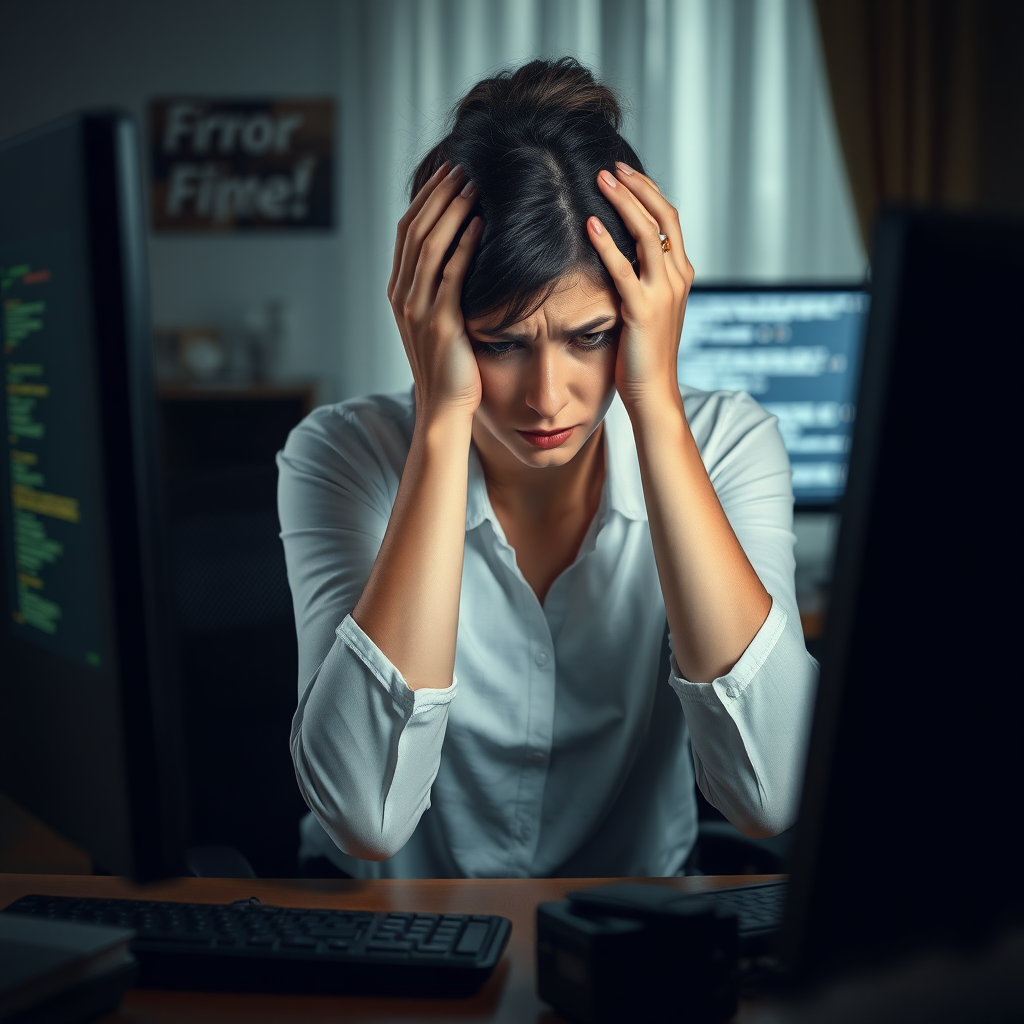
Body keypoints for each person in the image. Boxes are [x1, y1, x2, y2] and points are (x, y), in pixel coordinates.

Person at [278, 57, 817, 879]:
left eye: (591, 336)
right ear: (434, 321)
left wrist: (657, 405)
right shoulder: (341, 453)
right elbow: (364, 818)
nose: (547, 398)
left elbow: (771, 794)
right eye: (500, 344)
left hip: (631, 942)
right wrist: (440, 422)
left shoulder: (727, 440)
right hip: (394, 940)